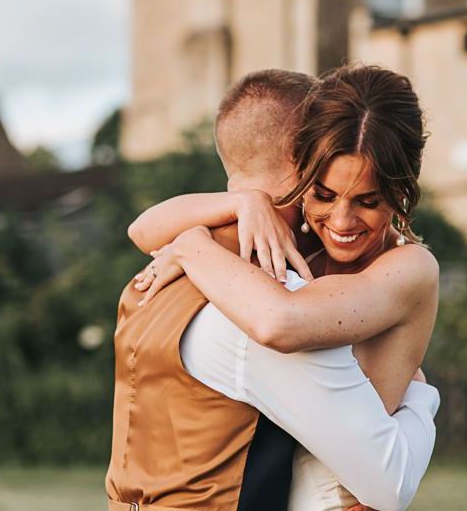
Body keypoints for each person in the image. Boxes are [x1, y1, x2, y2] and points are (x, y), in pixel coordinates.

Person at [130, 65, 440, 510]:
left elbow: (280, 322)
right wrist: (241, 202)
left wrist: (420, 398)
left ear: (400, 195)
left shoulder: (406, 269)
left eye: (368, 202)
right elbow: (143, 229)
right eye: (324, 195)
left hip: (338, 492)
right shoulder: (300, 242)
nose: (342, 221)